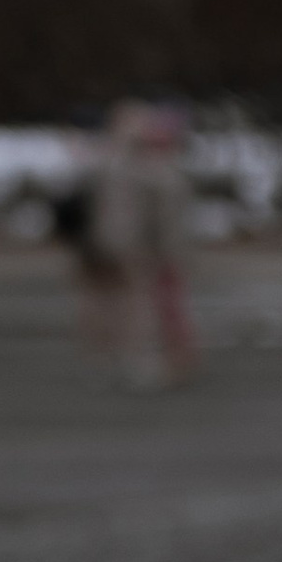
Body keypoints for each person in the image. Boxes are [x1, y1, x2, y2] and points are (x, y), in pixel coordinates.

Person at [90, 99, 199, 388]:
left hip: (139, 248)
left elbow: (155, 217)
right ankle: (146, 355)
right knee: (139, 305)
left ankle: (155, 357)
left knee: (145, 305)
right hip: (135, 248)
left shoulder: (136, 169)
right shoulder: (136, 169)